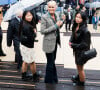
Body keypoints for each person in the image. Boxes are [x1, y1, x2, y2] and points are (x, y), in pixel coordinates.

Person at [41, 1, 65, 84]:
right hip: (48, 43)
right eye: (50, 7)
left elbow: (58, 27)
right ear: (47, 8)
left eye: (53, 7)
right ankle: (48, 81)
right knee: (50, 63)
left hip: (55, 42)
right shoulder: (44, 17)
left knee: (52, 62)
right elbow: (43, 31)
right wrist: (55, 26)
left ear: (56, 7)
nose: (51, 8)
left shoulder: (56, 15)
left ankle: (54, 79)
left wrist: (62, 21)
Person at [69, 11, 91, 86]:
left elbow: (85, 45)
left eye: (80, 17)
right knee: (78, 66)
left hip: (82, 52)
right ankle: (79, 77)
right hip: (77, 51)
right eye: (77, 17)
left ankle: (81, 83)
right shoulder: (75, 26)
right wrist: (70, 41)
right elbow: (73, 35)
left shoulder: (85, 30)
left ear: (83, 19)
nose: (77, 19)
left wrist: (73, 45)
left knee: (80, 68)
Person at [19, 10, 39, 81]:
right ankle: (35, 76)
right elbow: (32, 38)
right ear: (24, 16)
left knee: (25, 61)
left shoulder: (22, 23)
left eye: (30, 15)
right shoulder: (28, 27)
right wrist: (35, 32)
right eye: (27, 15)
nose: (30, 17)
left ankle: (24, 75)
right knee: (32, 62)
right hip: (28, 47)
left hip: (23, 45)